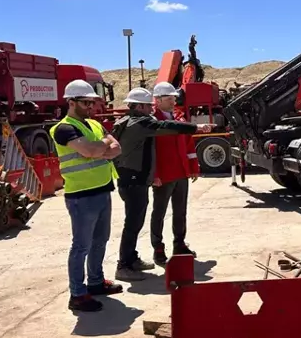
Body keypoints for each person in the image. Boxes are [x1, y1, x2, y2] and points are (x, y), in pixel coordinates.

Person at [111, 87, 213, 281]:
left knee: (140, 221)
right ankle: (125, 264)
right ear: (140, 105)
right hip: (138, 179)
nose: (151, 109)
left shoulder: (129, 121)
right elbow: (163, 131)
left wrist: (192, 165)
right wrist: (196, 127)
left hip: (141, 178)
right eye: (148, 105)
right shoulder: (141, 123)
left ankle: (132, 259)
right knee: (135, 223)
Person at [49, 79, 123, 312]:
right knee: (81, 246)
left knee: (100, 241)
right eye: (85, 102)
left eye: (92, 102)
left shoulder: (93, 124)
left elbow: (116, 148)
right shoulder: (64, 128)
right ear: (71, 102)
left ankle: (96, 282)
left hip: (103, 190)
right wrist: (101, 147)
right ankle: (78, 294)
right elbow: (91, 150)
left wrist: (97, 150)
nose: (91, 107)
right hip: (81, 195)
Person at [150, 82, 200, 265]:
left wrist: (193, 167)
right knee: (159, 213)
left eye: (174, 98)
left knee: (180, 212)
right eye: (169, 98)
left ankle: (179, 244)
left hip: (181, 173)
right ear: (158, 100)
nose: (173, 101)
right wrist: (153, 174)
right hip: (163, 175)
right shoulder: (151, 121)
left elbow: (188, 145)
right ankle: (158, 248)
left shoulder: (179, 118)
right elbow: (151, 151)